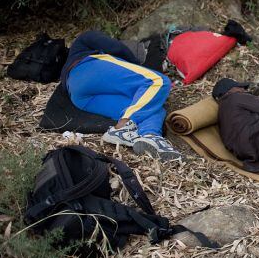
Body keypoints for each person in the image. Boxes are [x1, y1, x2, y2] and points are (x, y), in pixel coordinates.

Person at [61, 30, 181, 160]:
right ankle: (121, 128)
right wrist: (135, 64)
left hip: (78, 96)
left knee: (149, 104)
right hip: (87, 68)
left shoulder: (70, 62)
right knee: (157, 81)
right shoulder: (84, 37)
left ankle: (150, 136)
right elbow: (114, 47)